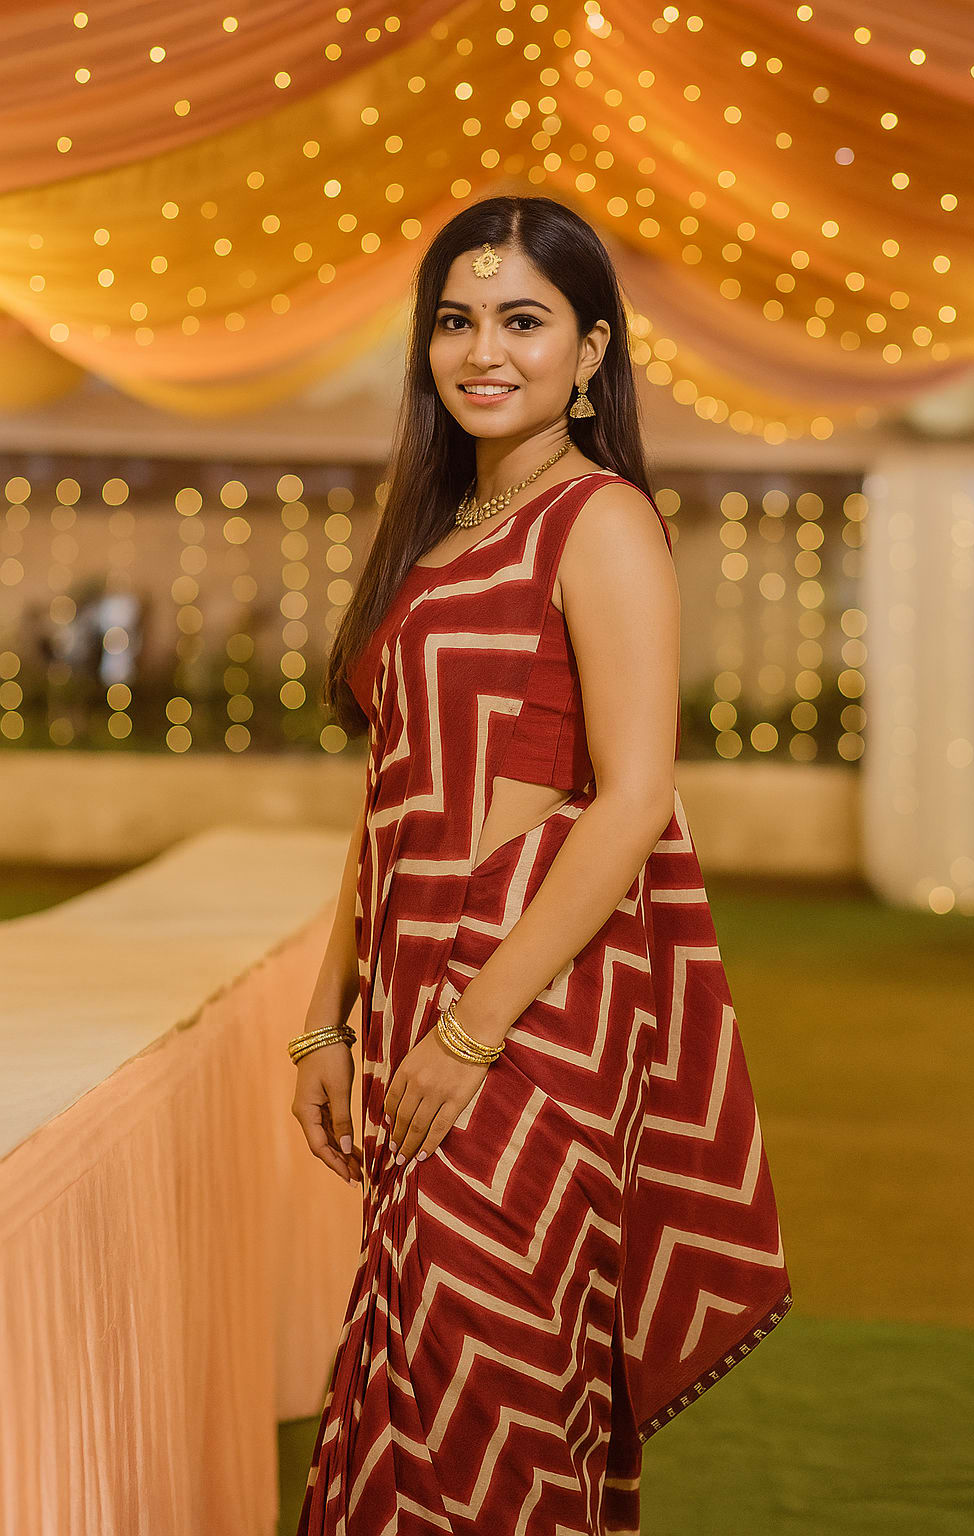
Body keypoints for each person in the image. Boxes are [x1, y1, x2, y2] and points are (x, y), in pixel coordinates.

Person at [290, 194, 792, 1536]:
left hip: (529, 1025)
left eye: (524, 319)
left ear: (593, 349)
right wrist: (323, 1021)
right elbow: (384, 797)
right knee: (408, 1369)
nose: (482, 351)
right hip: (413, 1007)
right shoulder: (439, 533)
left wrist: (469, 1029)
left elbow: (631, 802)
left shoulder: (600, 522)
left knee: (492, 1372)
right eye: (456, 321)